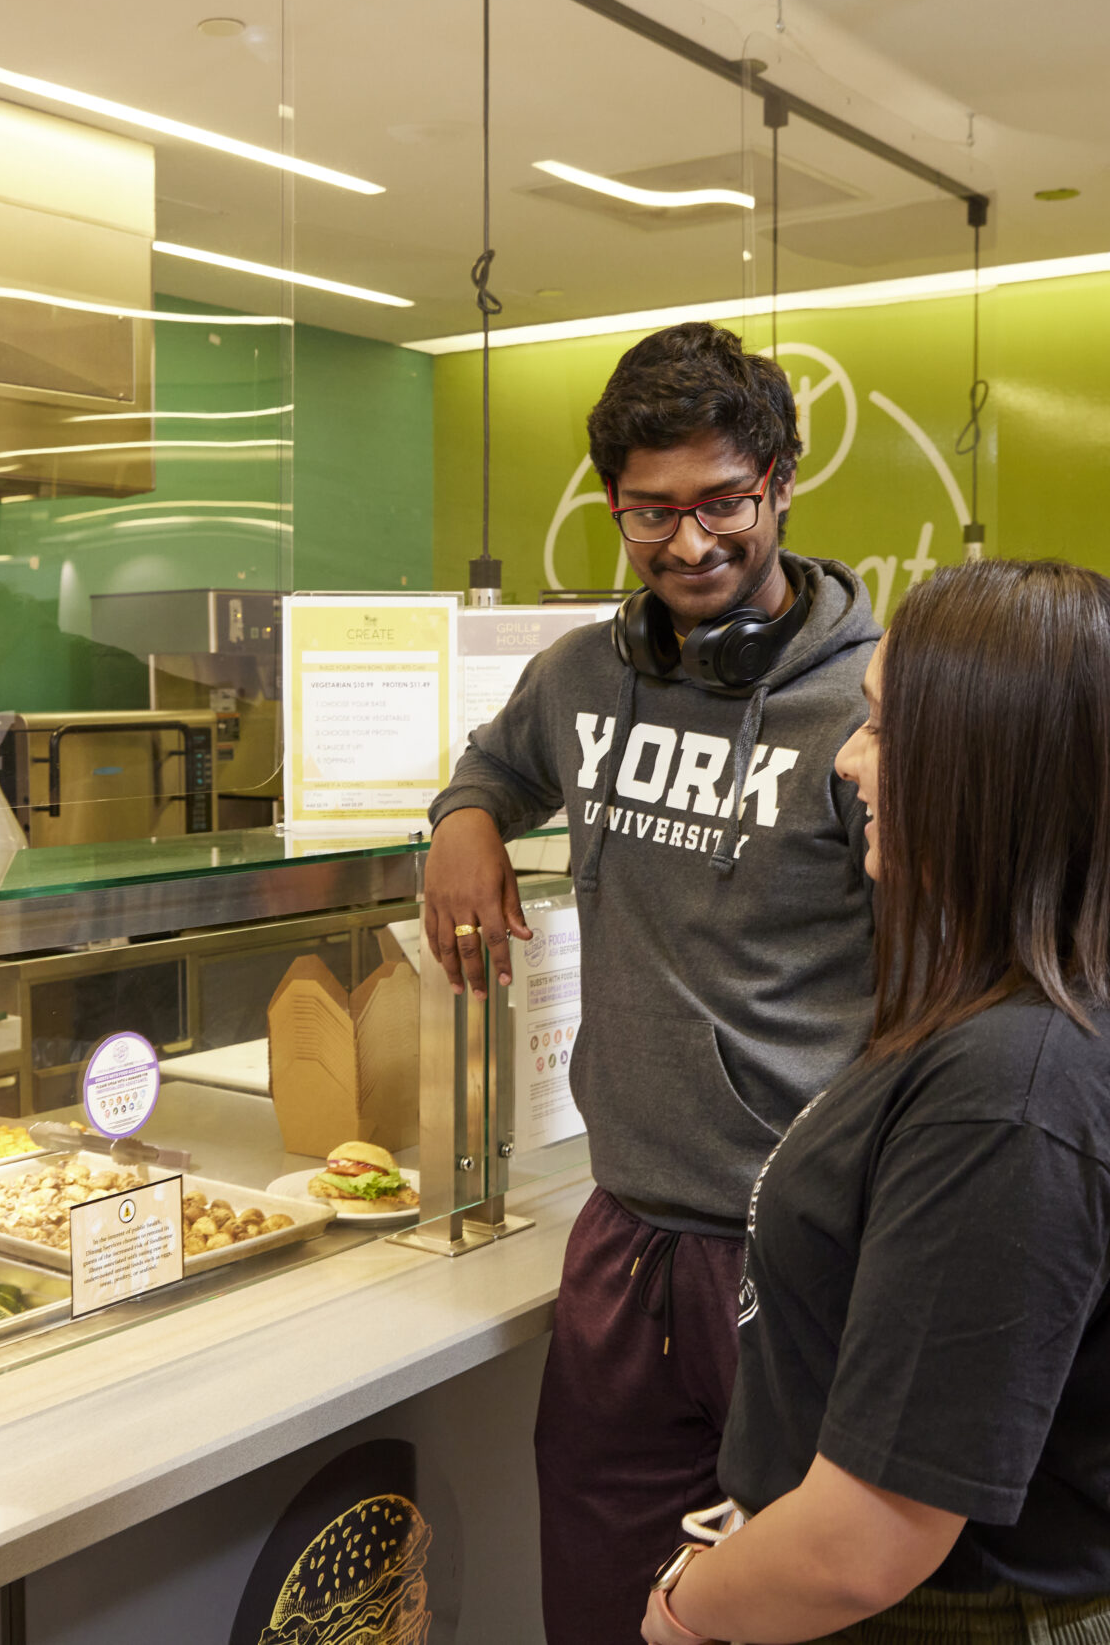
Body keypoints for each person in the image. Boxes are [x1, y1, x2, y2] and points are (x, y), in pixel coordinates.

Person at [644, 560, 1110, 1645]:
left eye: (883, 730)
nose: (849, 762)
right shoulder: (1016, 1018)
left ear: (994, 765)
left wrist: (682, 1609)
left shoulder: (1013, 1097)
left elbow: (864, 1542)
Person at [421, 321, 882, 1645]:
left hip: (796, 1247)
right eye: (650, 513)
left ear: (781, 483)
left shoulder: (872, 705)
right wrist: (464, 821)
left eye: (722, 504)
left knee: (794, 1605)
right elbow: (494, 765)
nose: (689, 546)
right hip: (624, 1233)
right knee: (603, 1597)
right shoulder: (580, 675)